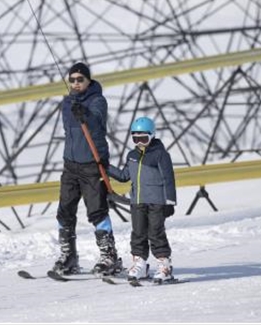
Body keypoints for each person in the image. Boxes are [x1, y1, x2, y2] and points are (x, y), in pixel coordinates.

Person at [53, 62, 122, 276]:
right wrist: (76, 110)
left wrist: (85, 115)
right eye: (72, 79)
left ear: (88, 80)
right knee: (64, 211)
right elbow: (69, 127)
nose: (75, 83)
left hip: (92, 164)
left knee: (97, 211)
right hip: (71, 165)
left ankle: (109, 256)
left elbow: (97, 125)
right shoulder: (67, 102)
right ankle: (69, 256)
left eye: (80, 79)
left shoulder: (97, 100)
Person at [107, 117, 178, 283]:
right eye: (135, 138)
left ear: (152, 136)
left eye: (143, 139)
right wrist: (105, 167)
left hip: (157, 202)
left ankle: (164, 265)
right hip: (137, 201)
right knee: (138, 233)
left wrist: (170, 202)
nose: (139, 142)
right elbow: (124, 176)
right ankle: (140, 264)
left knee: (155, 233)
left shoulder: (160, 154)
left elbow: (169, 178)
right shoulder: (132, 155)